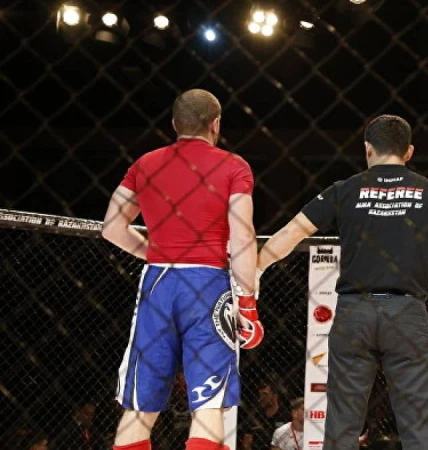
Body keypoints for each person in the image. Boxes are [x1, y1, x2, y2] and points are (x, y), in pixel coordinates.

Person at [255, 115, 428, 450]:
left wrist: (255, 271)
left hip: (355, 311)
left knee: (342, 425)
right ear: (409, 152)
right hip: (405, 313)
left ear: (367, 149)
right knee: (418, 425)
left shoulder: (345, 189)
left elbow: (291, 232)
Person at [101, 89, 263, 450]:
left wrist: (155, 253)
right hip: (209, 283)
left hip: (158, 281)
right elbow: (242, 236)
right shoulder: (233, 166)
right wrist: (247, 303)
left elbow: (112, 227)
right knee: (208, 404)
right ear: (216, 124)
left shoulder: (145, 164)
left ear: (175, 124)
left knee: (140, 407)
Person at [248, 383, 290, 450]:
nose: (261, 398)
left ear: (274, 396)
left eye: (265, 394)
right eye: (259, 394)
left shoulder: (285, 415)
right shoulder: (256, 415)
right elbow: (246, 442)